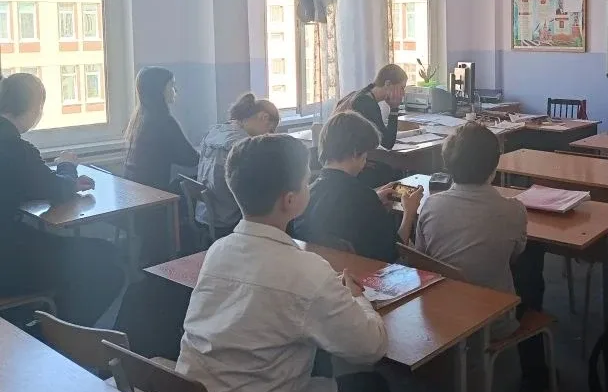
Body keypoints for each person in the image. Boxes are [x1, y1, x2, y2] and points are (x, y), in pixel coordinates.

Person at [175, 134, 390, 392]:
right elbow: (372, 347)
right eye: (306, 180)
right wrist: (357, 298)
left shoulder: (218, 250)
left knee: (314, 355)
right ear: (290, 200)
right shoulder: (308, 271)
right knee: (372, 391)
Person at [416, 122, 550, 392]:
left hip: (440, 313)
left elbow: (422, 257)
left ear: (448, 163)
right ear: (494, 166)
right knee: (531, 265)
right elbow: (514, 256)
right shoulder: (514, 210)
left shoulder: (430, 205)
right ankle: (536, 374)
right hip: (492, 320)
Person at [0, 73, 123, 325]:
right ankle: (60, 332)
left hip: (9, 246)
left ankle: (45, 321)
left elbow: (21, 183)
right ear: (34, 108)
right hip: (8, 260)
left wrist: (60, 180)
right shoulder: (15, 148)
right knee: (107, 262)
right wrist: (66, 165)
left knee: (94, 254)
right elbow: (56, 189)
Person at [297, 110, 421, 261]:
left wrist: (374, 200)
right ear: (356, 152)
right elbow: (392, 254)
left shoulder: (308, 193)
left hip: (325, 268)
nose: (365, 161)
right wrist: (409, 213)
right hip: (366, 271)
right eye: (366, 154)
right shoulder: (364, 198)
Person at [196, 92, 279, 235]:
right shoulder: (241, 144)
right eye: (270, 130)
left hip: (204, 213)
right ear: (263, 117)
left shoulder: (216, 131)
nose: (267, 136)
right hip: (227, 218)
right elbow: (252, 187)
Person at [124, 66, 198, 191]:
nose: (176, 90)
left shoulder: (138, 119)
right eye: (172, 85)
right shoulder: (164, 122)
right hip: (155, 194)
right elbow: (191, 159)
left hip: (136, 191)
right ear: (159, 90)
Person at [337, 64, 408, 187]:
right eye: (402, 88)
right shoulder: (366, 103)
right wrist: (394, 109)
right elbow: (388, 143)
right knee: (394, 172)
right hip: (348, 164)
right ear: (388, 84)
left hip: (344, 160)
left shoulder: (360, 95)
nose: (403, 93)